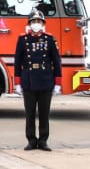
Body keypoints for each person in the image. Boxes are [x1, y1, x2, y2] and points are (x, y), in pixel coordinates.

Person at [13, 10, 62, 151]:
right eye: (33, 22)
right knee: (29, 114)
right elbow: (17, 62)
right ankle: (31, 140)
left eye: (38, 22)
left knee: (44, 113)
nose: (36, 24)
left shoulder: (49, 39)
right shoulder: (23, 39)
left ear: (43, 24)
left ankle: (43, 141)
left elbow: (56, 62)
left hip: (45, 79)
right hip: (28, 80)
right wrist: (17, 82)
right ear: (29, 24)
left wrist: (57, 83)